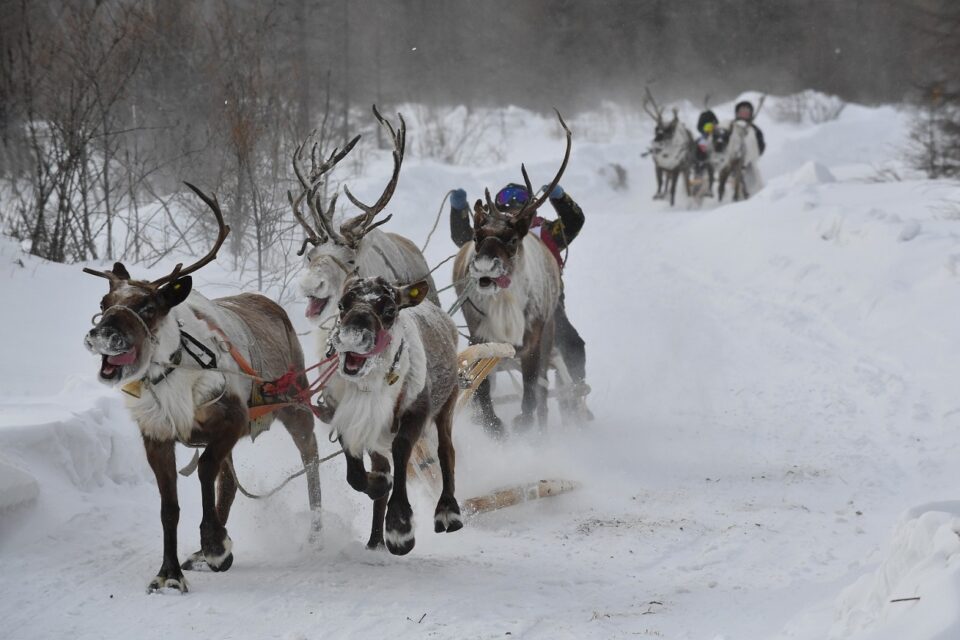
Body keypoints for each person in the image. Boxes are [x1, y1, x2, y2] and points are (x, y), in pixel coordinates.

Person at [449, 183, 593, 422]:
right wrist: (459, 210)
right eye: (506, 197)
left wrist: (560, 198)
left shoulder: (544, 230)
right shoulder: (491, 230)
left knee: (573, 345)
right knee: (481, 346)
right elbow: (464, 237)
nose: (512, 201)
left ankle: (573, 400)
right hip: (491, 303)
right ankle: (481, 403)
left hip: (545, 306)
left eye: (520, 198)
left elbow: (574, 220)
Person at [693, 110, 718, 196]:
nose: (709, 130)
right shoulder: (699, 141)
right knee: (699, 171)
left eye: (711, 127)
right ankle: (696, 191)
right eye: (706, 127)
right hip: (701, 167)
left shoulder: (718, 140)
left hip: (716, 165)